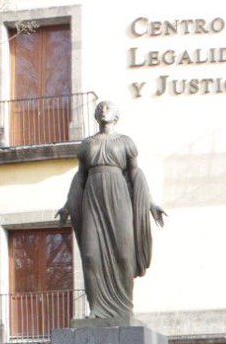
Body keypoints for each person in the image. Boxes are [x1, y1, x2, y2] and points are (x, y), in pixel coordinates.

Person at [57, 99, 166, 321]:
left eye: (108, 108)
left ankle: (124, 309)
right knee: (90, 254)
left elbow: (135, 173)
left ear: (116, 115)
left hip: (119, 198)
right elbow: (80, 176)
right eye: (100, 108)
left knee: (125, 253)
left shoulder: (126, 142)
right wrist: (69, 203)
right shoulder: (87, 144)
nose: (103, 110)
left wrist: (149, 203)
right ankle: (97, 309)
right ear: (96, 116)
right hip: (93, 199)